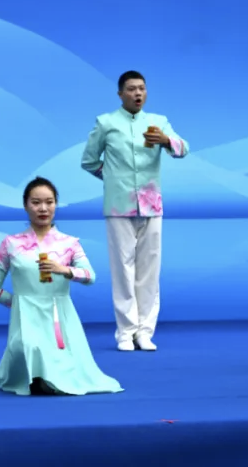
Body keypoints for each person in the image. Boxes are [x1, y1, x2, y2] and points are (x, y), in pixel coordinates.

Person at [81, 70, 188, 352]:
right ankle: (125, 332)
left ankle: (145, 332)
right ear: (120, 94)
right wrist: (113, 180)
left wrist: (165, 141)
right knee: (122, 270)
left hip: (152, 205)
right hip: (119, 206)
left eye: (141, 88)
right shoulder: (106, 122)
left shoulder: (158, 122)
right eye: (131, 89)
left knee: (149, 270)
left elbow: (183, 149)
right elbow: (89, 161)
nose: (137, 93)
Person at [0, 177, 123, 396]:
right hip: (26, 318)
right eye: (36, 202)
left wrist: (65, 270)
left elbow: (90, 276)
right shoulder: (10, 243)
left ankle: (47, 376)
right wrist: (19, 304)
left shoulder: (70, 243)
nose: (43, 208)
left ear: (56, 205)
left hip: (60, 316)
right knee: (29, 347)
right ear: (25, 205)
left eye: (49, 202)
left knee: (59, 377)